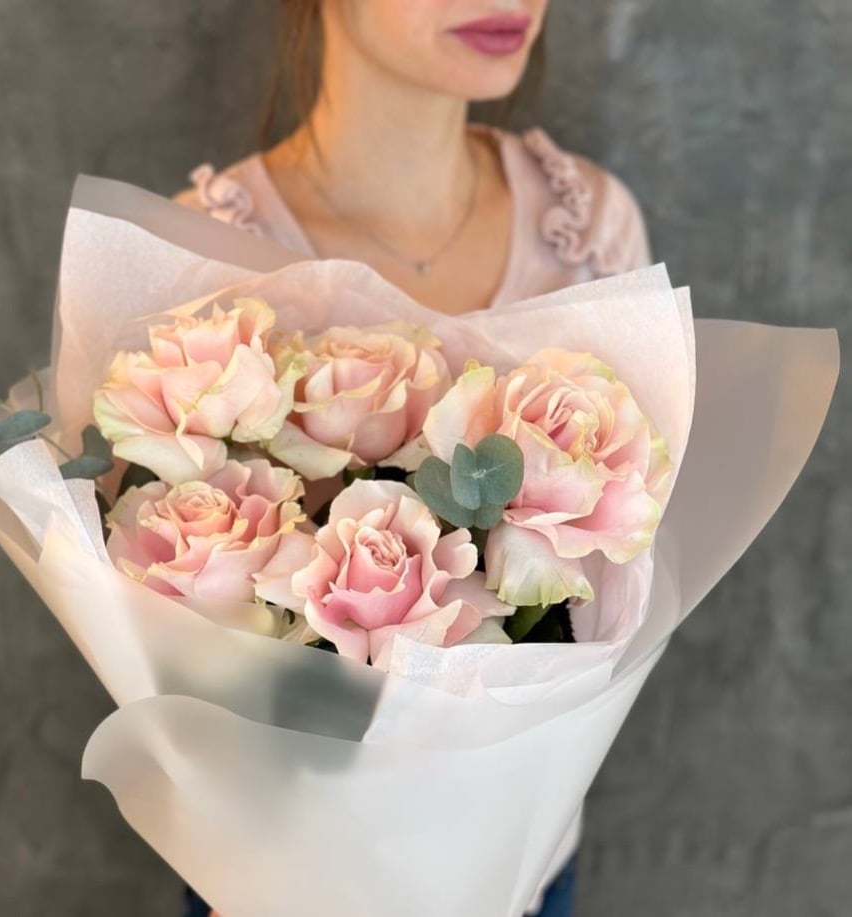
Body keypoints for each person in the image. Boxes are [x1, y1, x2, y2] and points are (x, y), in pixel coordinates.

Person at [175, 2, 652, 914]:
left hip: (523, 870)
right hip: (284, 877)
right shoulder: (198, 252)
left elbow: (625, 579)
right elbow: (169, 640)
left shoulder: (588, 230)